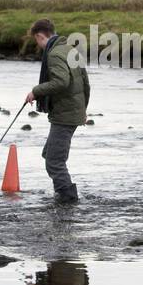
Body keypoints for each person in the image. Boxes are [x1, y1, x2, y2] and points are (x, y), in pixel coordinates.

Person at [24, 18, 90, 204]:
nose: (37, 45)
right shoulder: (70, 49)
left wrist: (36, 92)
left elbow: (61, 82)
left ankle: (68, 200)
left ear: (40, 36)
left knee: (54, 162)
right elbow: (85, 83)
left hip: (64, 115)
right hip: (72, 112)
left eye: (36, 40)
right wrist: (83, 110)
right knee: (49, 154)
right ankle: (61, 195)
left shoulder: (54, 54)